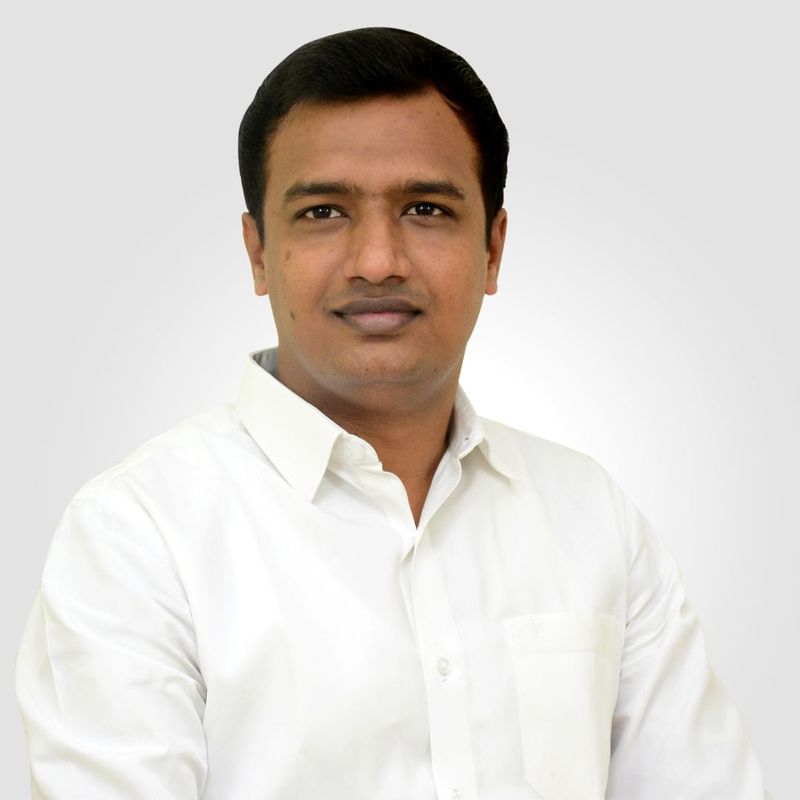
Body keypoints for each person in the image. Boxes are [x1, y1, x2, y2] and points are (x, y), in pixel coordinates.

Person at [16, 26, 768, 800]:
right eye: (323, 212)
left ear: (493, 249)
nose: (378, 261)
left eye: (425, 208)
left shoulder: (592, 517)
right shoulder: (138, 536)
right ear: (257, 253)